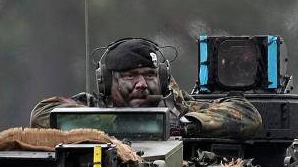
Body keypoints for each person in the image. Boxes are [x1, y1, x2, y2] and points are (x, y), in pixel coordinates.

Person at [30, 38, 262, 139]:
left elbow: (247, 113)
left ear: (161, 79)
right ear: (108, 82)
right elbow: (41, 114)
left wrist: (187, 125)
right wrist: (109, 124)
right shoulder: (91, 107)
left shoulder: (178, 109)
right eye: (130, 76)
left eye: (149, 75)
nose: (141, 84)